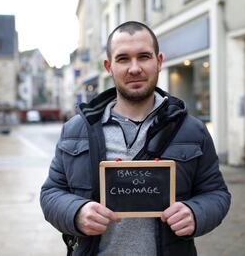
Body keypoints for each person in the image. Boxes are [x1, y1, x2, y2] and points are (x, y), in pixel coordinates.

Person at [40, 21, 231, 256]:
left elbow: (217, 193)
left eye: (143, 57)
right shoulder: (77, 129)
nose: (134, 68)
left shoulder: (192, 130)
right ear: (109, 66)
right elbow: (51, 193)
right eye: (123, 59)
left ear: (158, 62)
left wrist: (196, 213)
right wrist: (76, 212)